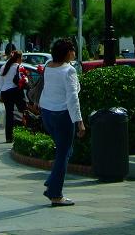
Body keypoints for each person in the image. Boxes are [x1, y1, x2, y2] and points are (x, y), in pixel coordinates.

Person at [39, 38, 85, 207]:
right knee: (63, 154)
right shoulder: (69, 70)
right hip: (62, 115)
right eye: (72, 50)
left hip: (47, 113)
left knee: (64, 151)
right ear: (67, 53)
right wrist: (79, 122)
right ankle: (55, 194)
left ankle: (52, 182)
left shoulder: (48, 66)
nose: (74, 52)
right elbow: (73, 98)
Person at [0, 50, 27, 144]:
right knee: (24, 111)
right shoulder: (18, 67)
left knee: (9, 116)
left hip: (5, 92)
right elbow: (22, 81)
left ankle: (8, 138)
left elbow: (0, 83)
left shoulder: (3, 67)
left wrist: (0, 95)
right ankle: (25, 134)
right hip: (15, 92)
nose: (21, 60)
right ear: (18, 58)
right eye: (21, 58)